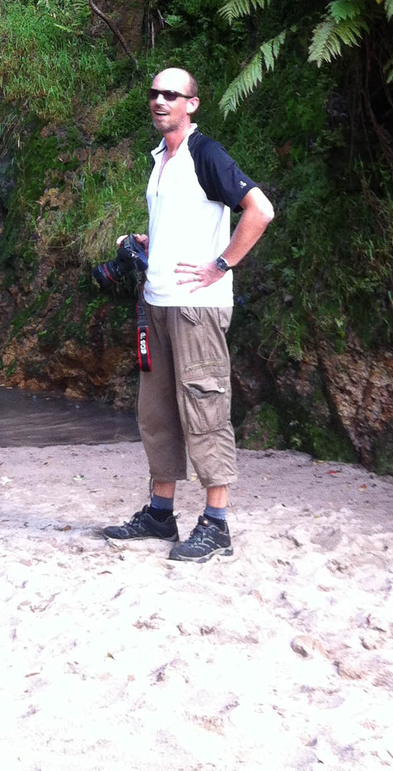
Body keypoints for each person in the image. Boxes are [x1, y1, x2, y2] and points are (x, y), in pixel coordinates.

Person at [102, 66, 273, 562]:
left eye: (171, 95)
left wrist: (222, 264)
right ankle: (160, 513)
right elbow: (185, 224)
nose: (160, 101)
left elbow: (259, 210)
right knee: (156, 415)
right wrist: (148, 245)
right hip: (157, 305)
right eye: (155, 93)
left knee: (205, 411)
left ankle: (216, 525)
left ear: (191, 105)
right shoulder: (161, 159)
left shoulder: (205, 154)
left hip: (197, 308)